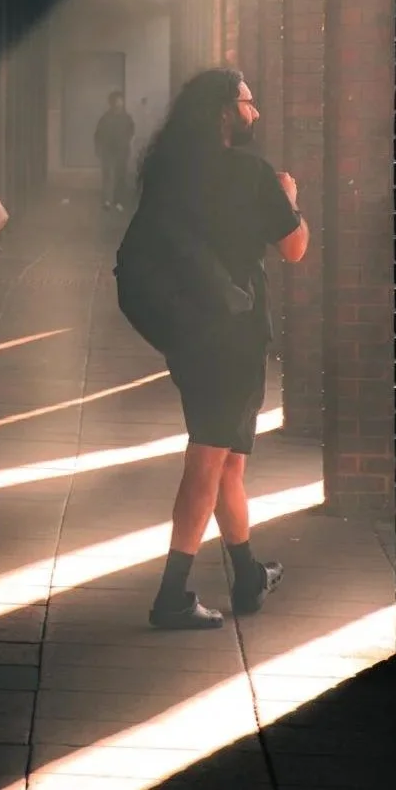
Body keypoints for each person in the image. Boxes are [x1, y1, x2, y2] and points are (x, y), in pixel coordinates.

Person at [133, 67, 309, 630]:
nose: (254, 111)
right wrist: (289, 198)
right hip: (233, 335)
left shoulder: (167, 171)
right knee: (208, 460)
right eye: (246, 102)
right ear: (223, 112)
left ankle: (248, 575)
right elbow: (295, 249)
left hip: (187, 331)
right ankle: (170, 595)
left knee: (229, 457)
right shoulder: (252, 174)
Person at [94, 91, 136, 211]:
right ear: (111, 103)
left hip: (122, 151)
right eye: (116, 100)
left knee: (120, 176)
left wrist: (130, 146)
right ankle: (107, 201)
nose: (118, 103)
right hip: (108, 150)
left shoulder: (127, 118)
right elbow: (98, 134)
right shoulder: (105, 118)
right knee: (107, 175)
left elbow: (132, 133)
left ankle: (119, 201)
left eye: (120, 100)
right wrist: (98, 148)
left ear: (122, 102)